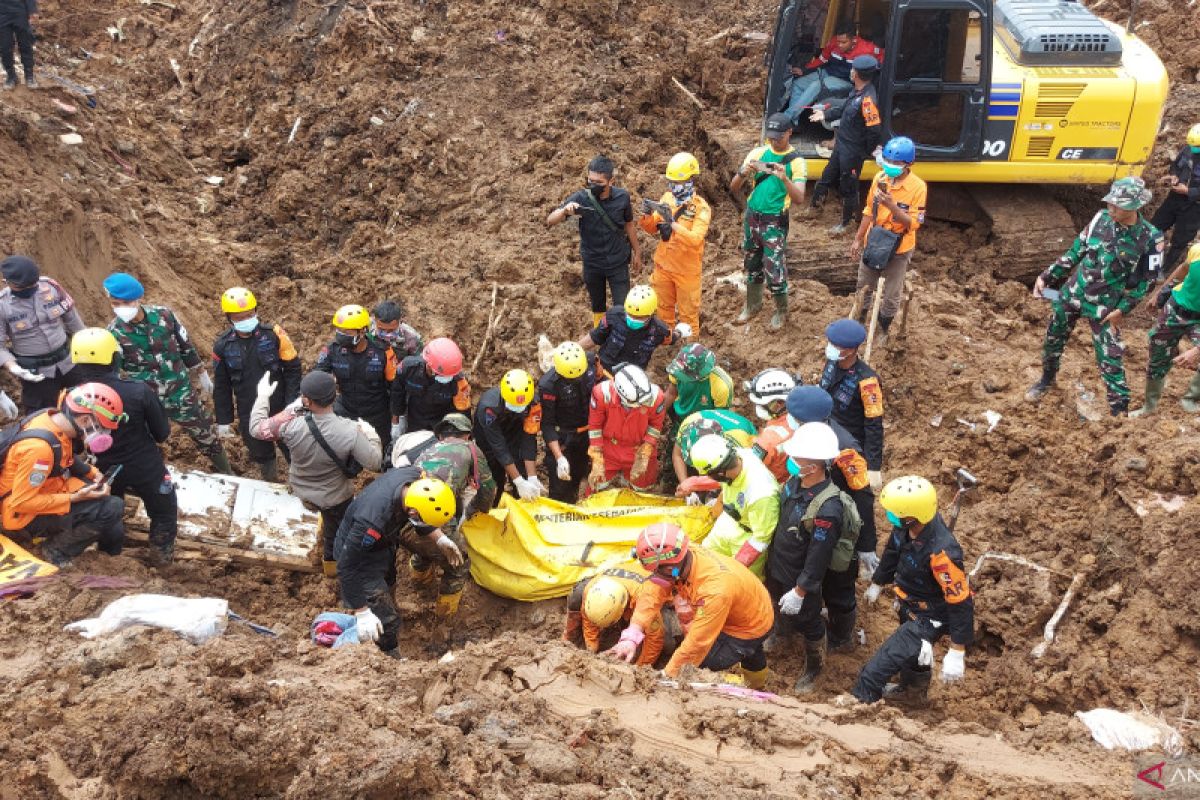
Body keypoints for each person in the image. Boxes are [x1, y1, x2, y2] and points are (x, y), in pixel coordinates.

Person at [1027, 177, 1165, 416]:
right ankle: (1046, 381)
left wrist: (1122, 310)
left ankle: (1118, 413)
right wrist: (1046, 277)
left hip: (1105, 306)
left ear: (1134, 207)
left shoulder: (1150, 238)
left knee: (1110, 360)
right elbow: (1076, 251)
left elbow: (1147, 282)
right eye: (1110, 203)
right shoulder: (1100, 219)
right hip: (1072, 294)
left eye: (1117, 205)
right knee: (1052, 341)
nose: (1111, 208)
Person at [852, 476, 974, 704]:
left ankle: (859, 703)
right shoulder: (906, 528)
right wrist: (878, 582)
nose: (890, 517)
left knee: (876, 671)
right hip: (909, 603)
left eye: (893, 513)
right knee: (914, 655)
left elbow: (961, 600)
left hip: (928, 617)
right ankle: (912, 693)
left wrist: (957, 650)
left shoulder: (942, 553)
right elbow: (892, 552)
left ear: (911, 517)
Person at [250, 370, 383, 578]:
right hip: (335, 497)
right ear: (335, 396)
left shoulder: (290, 424)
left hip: (301, 489)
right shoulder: (350, 431)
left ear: (306, 400)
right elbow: (374, 463)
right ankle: (331, 569)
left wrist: (263, 396)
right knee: (336, 533)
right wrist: (372, 435)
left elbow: (257, 429)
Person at [610, 523, 773, 688]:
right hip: (749, 603)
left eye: (658, 570)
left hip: (749, 625)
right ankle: (757, 680)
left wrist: (668, 675)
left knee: (699, 664)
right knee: (750, 652)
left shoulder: (714, 589)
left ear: (670, 566)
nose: (656, 575)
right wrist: (632, 635)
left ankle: (737, 685)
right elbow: (654, 590)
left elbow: (698, 643)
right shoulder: (682, 556)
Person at [69, 329, 177, 566]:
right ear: (113, 358)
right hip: (144, 465)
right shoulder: (138, 391)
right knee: (163, 509)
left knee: (109, 510)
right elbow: (162, 434)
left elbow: (74, 443)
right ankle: (162, 556)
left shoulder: (70, 398)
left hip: (101, 468)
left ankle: (110, 557)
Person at [106, 272, 231, 474]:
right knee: (144, 442)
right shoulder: (113, 333)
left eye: (125, 302)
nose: (121, 308)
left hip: (180, 392)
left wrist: (200, 372)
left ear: (139, 299)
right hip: (147, 399)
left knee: (205, 433)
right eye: (115, 303)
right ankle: (154, 476)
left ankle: (226, 471)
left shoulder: (164, 315)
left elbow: (185, 344)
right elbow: (114, 372)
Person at [768, 422, 862, 691]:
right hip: (779, 562)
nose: (791, 462)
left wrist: (801, 590)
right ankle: (782, 633)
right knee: (778, 603)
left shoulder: (828, 508)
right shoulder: (794, 483)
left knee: (808, 620)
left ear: (815, 465)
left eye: (797, 459)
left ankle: (814, 665)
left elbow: (818, 556)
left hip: (801, 575)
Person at [0, 382, 126, 566]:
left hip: (45, 489)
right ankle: (54, 551)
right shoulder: (39, 450)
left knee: (112, 521)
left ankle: (108, 555)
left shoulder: (51, 418)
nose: (102, 434)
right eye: (101, 428)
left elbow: (64, 455)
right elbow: (23, 503)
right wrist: (73, 498)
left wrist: (92, 472)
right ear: (84, 420)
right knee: (112, 507)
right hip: (20, 515)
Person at [334, 470, 458, 656]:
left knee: (389, 580)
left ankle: (385, 609)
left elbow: (423, 514)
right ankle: (389, 655)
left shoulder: (414, 478)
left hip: (383, 543)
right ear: (412, 511)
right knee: (386, 620)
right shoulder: (371, 521)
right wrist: (362, 611)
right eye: (422, 521)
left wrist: (440, 538)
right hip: (358, 558)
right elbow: (346, 565)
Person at [785, 384, 878, 582]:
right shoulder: (805, 433)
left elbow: (863, 496)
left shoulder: (845, 450)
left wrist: (866, 545)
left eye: (795, 417)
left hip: (838, 514)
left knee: (838, 577)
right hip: (812, 506)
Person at [212, 286, 301, 481]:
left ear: (256, 311)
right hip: (249, 409)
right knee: (261, 452)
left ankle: (303, 480)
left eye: (249, 314)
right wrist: (224, 420)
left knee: (293, 446)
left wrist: (292, 402)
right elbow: (222, 386)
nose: (246, 320)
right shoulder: (223, 346)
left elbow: (293, 369)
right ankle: (271, 482)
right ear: (229, 318)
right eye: (239, 317)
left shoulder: (274, 334)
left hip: (280, 404)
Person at [411, 413, 496, 616]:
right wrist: (476, 511)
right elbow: (488, 490)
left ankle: (420, 584)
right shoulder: (471, 449)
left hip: (409, 513)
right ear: (466, 435)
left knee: (423, 546)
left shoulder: (428, 449)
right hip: (436, 511)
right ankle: (444, 623)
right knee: (459, 564)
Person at [731, 113, 807, 330]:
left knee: (774, 268)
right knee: (752, 263)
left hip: (774, 220)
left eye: (779, 137)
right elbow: (734, 187)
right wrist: (744, 172)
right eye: (771, 137)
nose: (774, 141)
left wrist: (784, 178)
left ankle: (781, 311)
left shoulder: (797, 162)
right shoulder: (758, 153)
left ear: (789, 133)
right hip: (752, 216)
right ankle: (752, 305)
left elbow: (800, 198)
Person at [546, 155, 642, 328]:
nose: (593, 186)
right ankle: (601, 337)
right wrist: (565, 212)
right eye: (590, 181)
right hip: (593, 263)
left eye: (598, 182)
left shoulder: (622, 198)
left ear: (611, 181)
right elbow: (550, 220)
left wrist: (638, 253)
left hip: (617, 262)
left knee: (623, 308)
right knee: (598, 307)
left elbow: (629, 225)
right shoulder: (582, 198)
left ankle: (621, 338)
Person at [848, 137, 927, 339]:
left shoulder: (918, 187)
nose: (891, 167)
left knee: (891, 294)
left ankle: (882, 330)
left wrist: (892, 206)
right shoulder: (880, 178)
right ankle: (859, 323)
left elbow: (914, 224)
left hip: (899, 247)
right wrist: (858, 238)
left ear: (909, 164)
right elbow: (868, 210)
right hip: (874, 241)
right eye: (888, 161)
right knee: (864, 285)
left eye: (897, 164)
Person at [639, 152, 712, 338]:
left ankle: (690, 354)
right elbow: (651, 228)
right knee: (663, 312)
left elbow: (696, 239)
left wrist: (674, 225)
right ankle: (666, 345)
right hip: (664, 267)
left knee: (688, 317)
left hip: (686, 271)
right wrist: (647, 216)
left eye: (678, 183)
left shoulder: (701, 208)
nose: (674, 187)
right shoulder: (667, 199)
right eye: (671, 182)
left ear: (690, 180)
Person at [687, 433, 779, 578]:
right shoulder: (738, 455)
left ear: (720, 473)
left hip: (748, 537)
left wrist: (736, 568)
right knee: (704, 560)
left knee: (741, 582)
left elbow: (760, 539)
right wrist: (694, 484)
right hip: (728, 521)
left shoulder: (762, 494)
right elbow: (723, 481)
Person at [0, 256, 84, 413]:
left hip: (69, 362)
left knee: (85, 405)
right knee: (43, 416)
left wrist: (88, 340)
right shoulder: (2, 305)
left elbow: (72, 318)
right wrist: (13, 367)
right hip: (37, 374)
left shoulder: (51, 287)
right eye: (23, 288)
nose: (30, 290)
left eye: (33, 285)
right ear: (8, 282)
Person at [809, 55, 882, 235]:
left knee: (848, 186)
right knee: (826, 176)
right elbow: (844, 108)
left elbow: (874, 131)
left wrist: (864, 151)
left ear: (856, 73)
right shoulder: (856, 92)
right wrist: (825, 115)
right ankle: (814, 208)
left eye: (852, 69)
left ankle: (846, 224)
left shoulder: (867, 100)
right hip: (842, 144)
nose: (851, 72)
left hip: (853, 151)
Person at [315, 304, 399, 451]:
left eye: (346, 331)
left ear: (362, 331)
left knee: (380, 452)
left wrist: (396, 420)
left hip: (377, 414)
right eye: (339, 330)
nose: (341, 335)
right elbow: (317, 376)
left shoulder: (383, 352)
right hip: (346, 411)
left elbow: (395, 388)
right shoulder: (332, 350)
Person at [1134, 242, 1200, 416]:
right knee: (1158, 356)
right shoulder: (1197, 251)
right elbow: (1183, 269)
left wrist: (1197, 350)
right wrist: (1159, 293)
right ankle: (1149, 407)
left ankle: (1190, 398)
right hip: (1175, 309)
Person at [818, 319, 883, 493]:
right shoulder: (832, 362)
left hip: (849, 447)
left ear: (851, 350)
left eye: (836, 345)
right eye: (830, 343)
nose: (830, 348)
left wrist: (874, 465)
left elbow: (874, 424)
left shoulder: (868, 382)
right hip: (826, 432)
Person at [562, 561, 664, 665]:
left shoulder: (647, 600)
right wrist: (591, 649)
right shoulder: (592, 588)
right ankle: (568, 641)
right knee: (577, 595)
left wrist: (640, 667)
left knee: (667, 640)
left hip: (659, 590)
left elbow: (654, 640)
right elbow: (588, 619)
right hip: (626, 577)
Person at [782, 24, 883, 127]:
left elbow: (884, 57)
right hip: (828, 73)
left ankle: (786, 119)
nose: (839, 45)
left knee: (816, 85)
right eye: (838, 41)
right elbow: (822, 59)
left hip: (847, 81)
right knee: (798, 83)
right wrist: (804, 70)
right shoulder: (833, 42)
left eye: (844, 42)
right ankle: (793, 123)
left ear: (853, 40)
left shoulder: (867, 48)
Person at [586, 363, 666, 493]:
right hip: (608, 448)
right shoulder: (601, 394)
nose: (643, 406)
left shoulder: (657, 397)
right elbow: (595, 427)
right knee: (596, 486)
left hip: (639, 448)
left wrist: (644, 453)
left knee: (642, 489)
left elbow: (655, 426)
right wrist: (597, 459)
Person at [473, 368, 545, 503]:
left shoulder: (533, 403)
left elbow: (529, 438)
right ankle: (493, 509)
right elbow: (498, 446)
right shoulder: (489, 407)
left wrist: (532, 477)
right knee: (495, 481)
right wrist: (518, 481)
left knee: (523, 474)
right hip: (489, 440)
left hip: (514, 434)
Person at [539, 341, 597, 503]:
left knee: (578, 475)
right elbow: (547, 423)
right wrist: (559, 457)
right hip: (564, 436)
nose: (577, 379)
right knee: (559, 486)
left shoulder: (591, 363)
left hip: (587, 433)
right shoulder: (549, 385)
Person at [579, 285, 671, 374]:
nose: (632, 319)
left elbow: (672, 338)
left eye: (639, 317)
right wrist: (575, 348)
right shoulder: (614, 316)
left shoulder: (659, 331)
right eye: (629, 315)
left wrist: (680, 332)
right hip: (604, 370)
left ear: (651, 314)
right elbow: (595, 337)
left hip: (631, 378)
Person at [392, 337, 471, 436]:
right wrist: (397, 421)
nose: (445, 378)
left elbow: (463, 411)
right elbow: (397, 393)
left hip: (442, 424)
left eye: (448, 376)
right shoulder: (408, 368)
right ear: (429, 365)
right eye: (442, 375)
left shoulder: (458, 381)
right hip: (415, 420)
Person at [1148, 124, 1200, 274]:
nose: (1194, 149)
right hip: (1175, 198)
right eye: (1192, 145)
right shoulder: (1188, 149)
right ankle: (1146, 262)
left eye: (1197, 146)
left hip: (1194, 207)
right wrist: (1173, 175)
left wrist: (1189, 191)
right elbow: (1176, 165)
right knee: (1154, 228)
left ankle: (1163, 271)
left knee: (1179, 241)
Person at [671, 408, 756, 486]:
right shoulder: (688, 425)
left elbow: (739, 477)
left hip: (744, 434)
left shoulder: (741, 444)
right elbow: (677, 455)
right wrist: (684, 483)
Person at [745, 367, 798, 482]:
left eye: (762, 404)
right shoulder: (804, 415)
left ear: (779, 404)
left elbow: (745, 472)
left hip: (771, 483)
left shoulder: (767, 440)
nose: (758, 408)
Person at [664, 344, 734, 422]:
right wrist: (659, 416)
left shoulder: (722, 386)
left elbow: (720, 417)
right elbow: (671, 393)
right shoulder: (678, 370)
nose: (680, 376)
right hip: (680, 413)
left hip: (704, 422)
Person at [0, 0, 36, 89]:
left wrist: (32, 10)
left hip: (20, 12)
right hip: (2, 13)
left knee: (25, 45)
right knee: (5, 47)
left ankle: (29, 77)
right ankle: (11, 77)